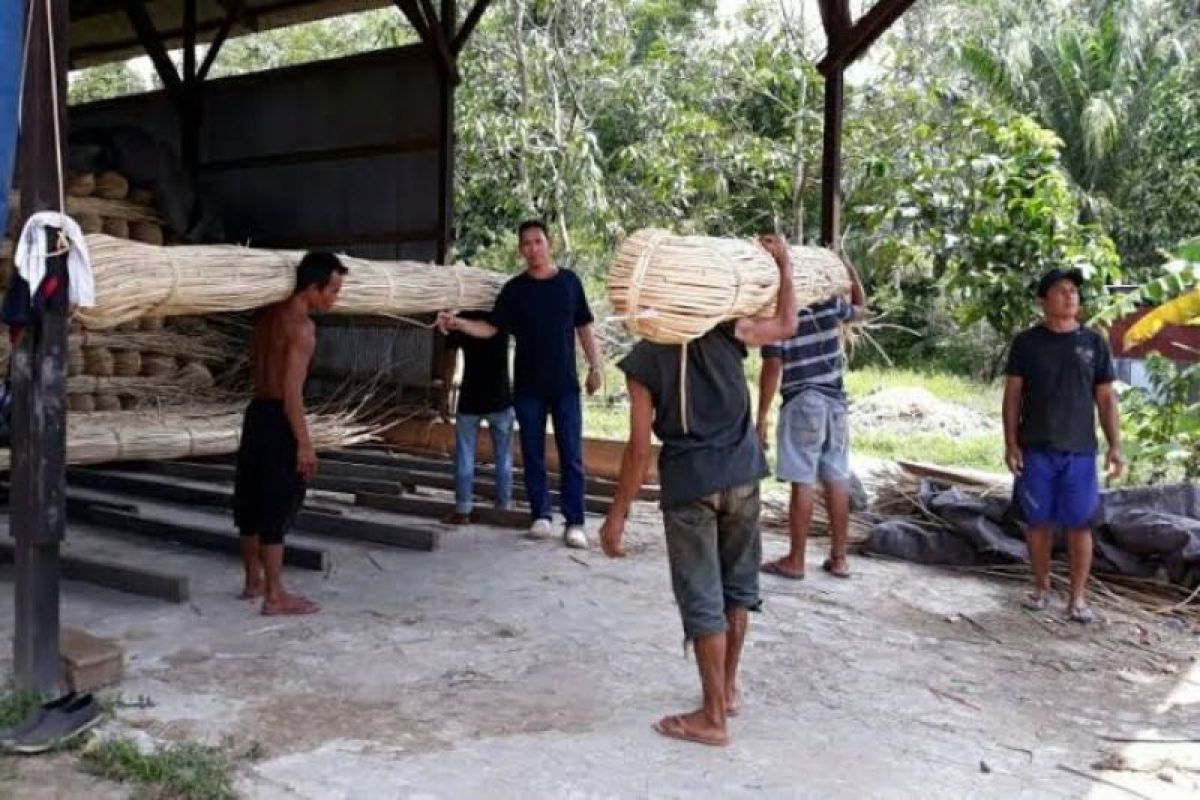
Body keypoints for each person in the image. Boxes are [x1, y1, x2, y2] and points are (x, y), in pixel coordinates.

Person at [598, 234, 799, 747]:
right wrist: (784, 265)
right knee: (737, 589)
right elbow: (787, 325)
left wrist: (616, 516)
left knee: (704, 599)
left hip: (691, 485)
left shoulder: (644, 359)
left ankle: (712, 717)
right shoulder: (726, 328)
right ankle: (727, 690)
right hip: (742, 475)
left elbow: (640, 450)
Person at [438, 220, 603, 549]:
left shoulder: (569, 282)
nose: (533, 249)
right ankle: (540, 514)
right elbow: (490, 329)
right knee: (532, 453)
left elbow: (584, 326)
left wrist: (595, 366)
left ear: (549, 243)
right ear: (520, 249)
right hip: (528, 388)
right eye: (526, 244)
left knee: (571, 454)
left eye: (538, 242)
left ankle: (574, 522)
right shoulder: (514, 290)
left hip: (565, 385)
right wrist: (458, 322)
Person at [1003, 267, 1123, 624]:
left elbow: (1105, 400)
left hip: (1080, 451)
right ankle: (1041, 589)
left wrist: (1116, 446)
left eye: (1074, 291)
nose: (1070, 296)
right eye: (1061, 290)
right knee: (1037, 523)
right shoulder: (1026, 343)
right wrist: (1010, 443)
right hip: (1035, 448)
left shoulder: (1094, 343)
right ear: (1044, 301)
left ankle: (1078, 600)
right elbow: (1012, 397)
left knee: (1079, 525)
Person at [234, 251, 346, 616]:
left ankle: (253, 581)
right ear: (313, 288)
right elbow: (292, 395)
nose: (335, 298)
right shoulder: (302, 328)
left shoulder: (266, 315)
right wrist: (305, 444)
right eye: (332, 290)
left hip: (255, 413)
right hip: (278, 418)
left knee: (249, 501)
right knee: (276, 506)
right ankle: (275, 596)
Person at [757, 254, 867, 580]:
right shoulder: (831, 306)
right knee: (837, 477)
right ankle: (840, 558)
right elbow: (862, 309)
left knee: (802, 480)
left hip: (803, 401)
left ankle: (796, 560)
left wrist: (761, 416)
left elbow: (772, 367)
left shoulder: (783, 314)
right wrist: (850, 269)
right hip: (836, 403)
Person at [442, 309, 514, 524]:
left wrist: (445, 391)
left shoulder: (462, 319)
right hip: (500, 399)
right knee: (503, 458)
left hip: (470, 400)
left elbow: (449, 357)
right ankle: (503, 507)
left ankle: (463, 509)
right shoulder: (502, 318)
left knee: (465, 456)